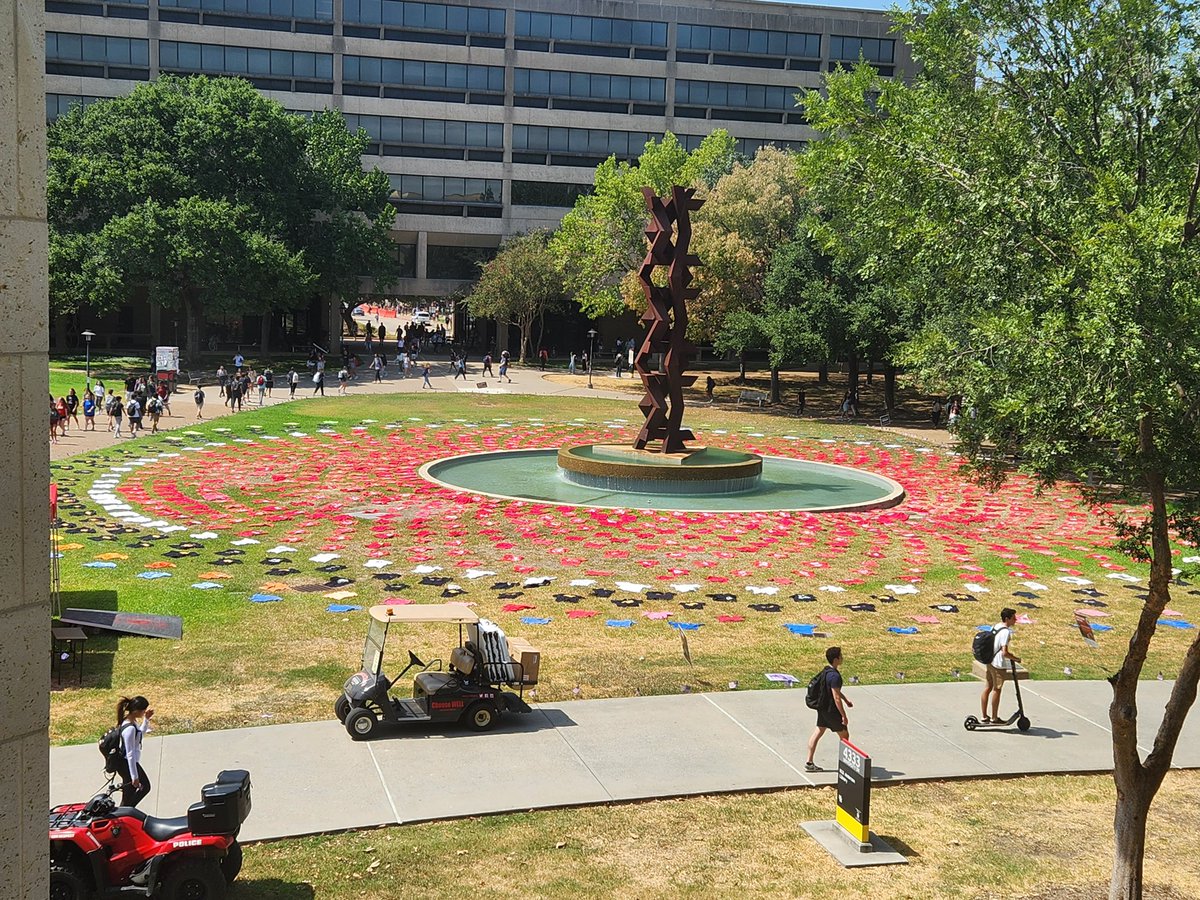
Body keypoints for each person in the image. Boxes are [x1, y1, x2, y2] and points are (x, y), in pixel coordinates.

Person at [805, 646, 853, 772]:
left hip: (822, 708)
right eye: (841, 656)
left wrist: (846, 700)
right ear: (836, 659)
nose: (842, 658)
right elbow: (836, 697)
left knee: (818, 732)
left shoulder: (826, 672)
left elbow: (835, 691)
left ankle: (809, 762)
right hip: (831, 710)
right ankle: (845, 765)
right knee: (844, 735)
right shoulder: (835, 676)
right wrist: (843, 715)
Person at [980, 608, 1020, 723]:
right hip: (998, 664)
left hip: (990, 661)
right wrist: (1016, 658)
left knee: (987, 687)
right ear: (1007, 618)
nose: (1015, 620)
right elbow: (1005, 652)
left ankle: (984, 716)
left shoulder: (996, 626)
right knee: (997, 689)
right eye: (1013, 618)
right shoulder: (1006, 632)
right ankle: (994, 717)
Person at [115, 695, 154, 808]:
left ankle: (126, 811)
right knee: (144, 787)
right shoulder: (129, 729)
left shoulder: (131, 722)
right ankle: (127, 812)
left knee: (129, 794)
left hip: (128, 763)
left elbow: (140, 733)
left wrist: (146, 719)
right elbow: (130, 754)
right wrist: (134, 776)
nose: (144, 712)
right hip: (126, 764)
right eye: (143, 711)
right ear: (136, 711)